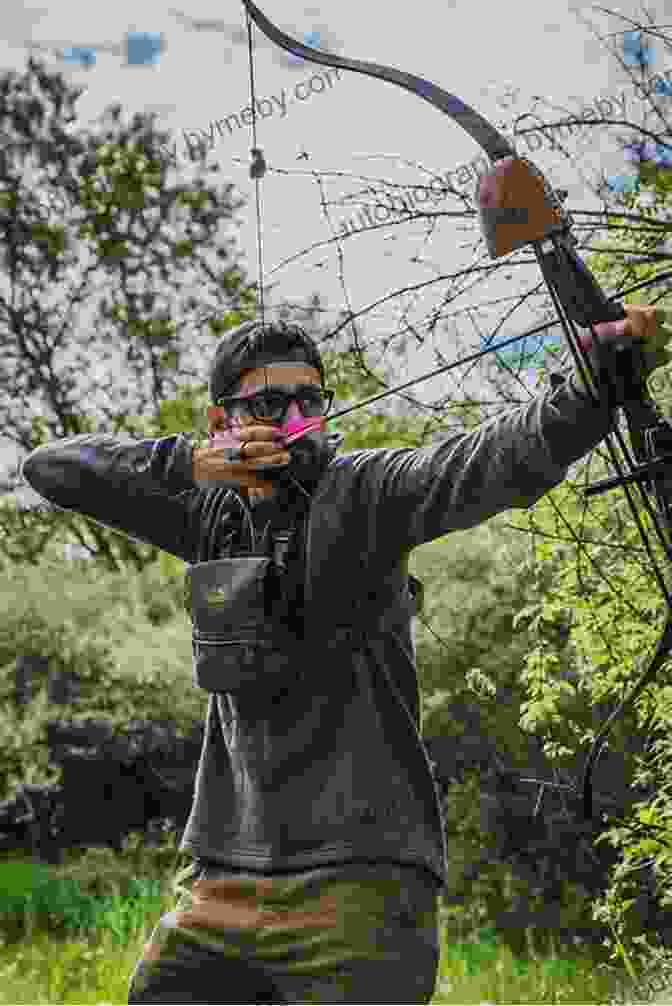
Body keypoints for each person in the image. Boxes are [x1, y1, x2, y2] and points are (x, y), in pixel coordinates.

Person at [20, 311, 669, 1004]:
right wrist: (186, 463)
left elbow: (486, 460)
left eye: (310, 400)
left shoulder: (368, 494)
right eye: (270, 404)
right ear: (223, 422)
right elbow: (48, 469)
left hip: (362, 884)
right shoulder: (204, 512)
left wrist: (590, 390)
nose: (297, 416)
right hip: (220, 879)